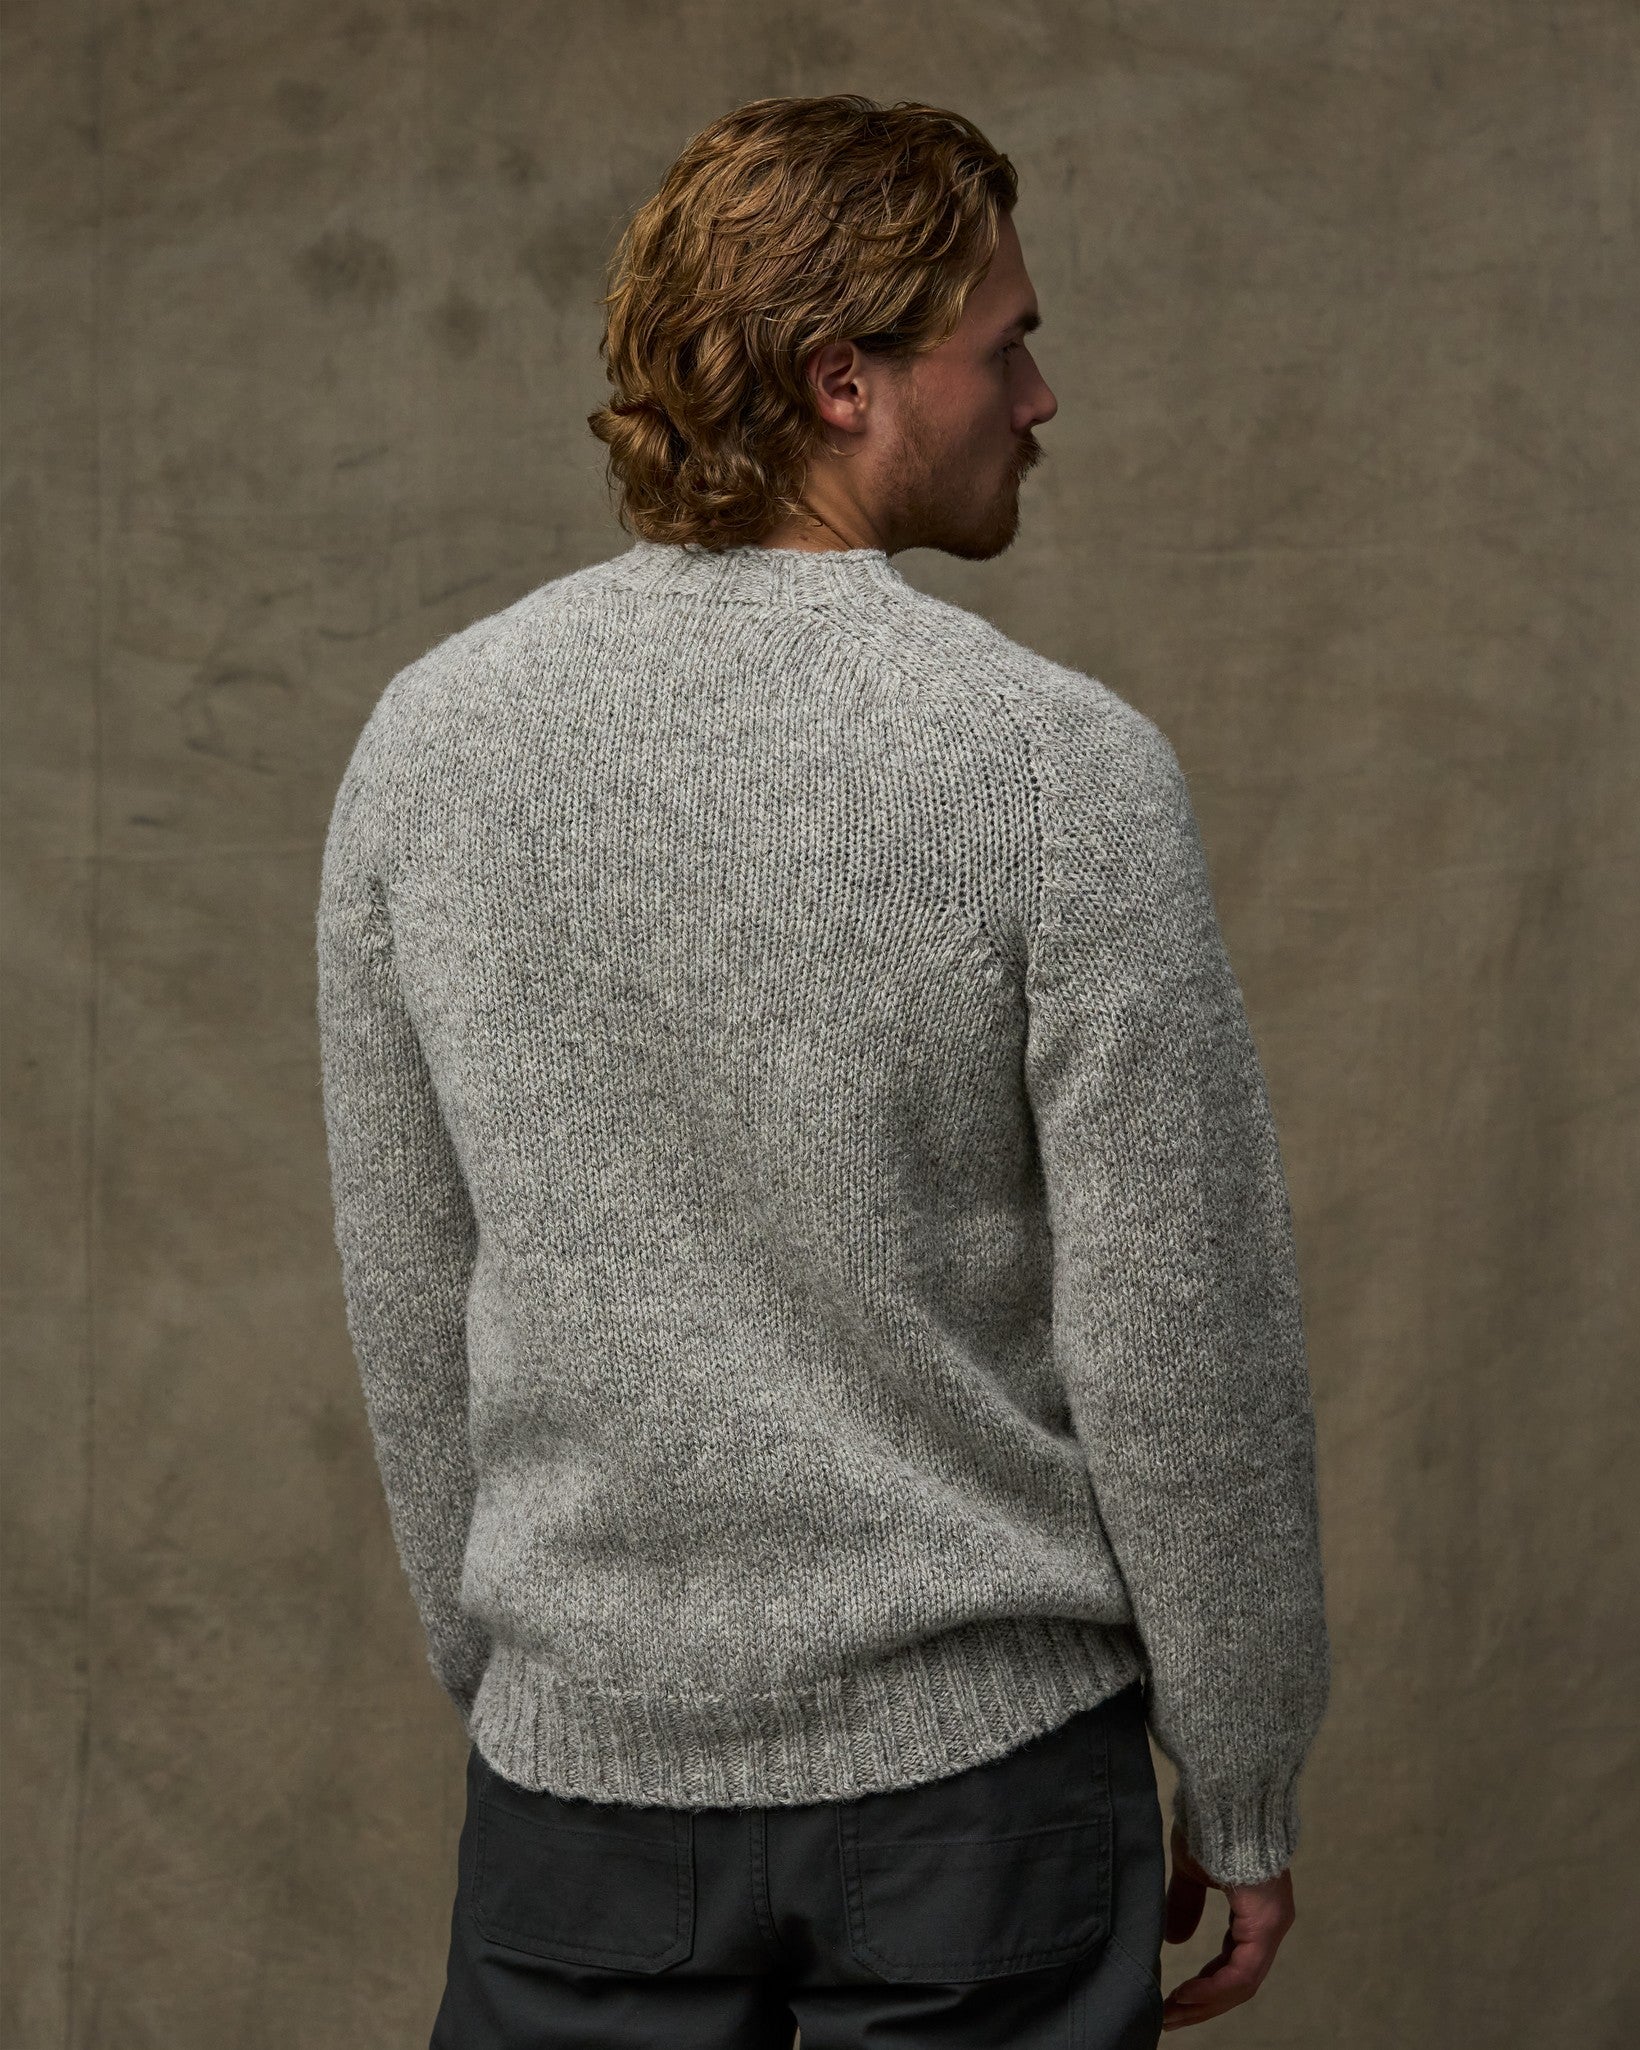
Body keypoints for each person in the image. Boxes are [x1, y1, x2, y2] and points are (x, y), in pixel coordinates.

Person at [315, 93, 1331, 2049]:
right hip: (984, 1803)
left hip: (580, 1790)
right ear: (840, 379)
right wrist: (1244, 1765)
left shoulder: (426, 746)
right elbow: (1182, 1329)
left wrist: (537, 1675)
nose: (1038, 395)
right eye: (1004, 344)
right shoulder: (1055, 767)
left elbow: (413, 1293)